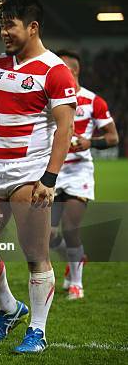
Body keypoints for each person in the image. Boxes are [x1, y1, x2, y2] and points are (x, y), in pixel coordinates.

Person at [0, 0, 76, 353]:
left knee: (34, 255)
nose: (4, 33)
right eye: (1, 26)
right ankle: (10, 308)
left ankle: (37, 332)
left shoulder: (55, 71)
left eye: (10, 26)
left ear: (33, 26)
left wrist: (50, 178)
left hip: (30, 176)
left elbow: (65, 128)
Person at [50, 49, 118, 299]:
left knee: (70, 228)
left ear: (73, 71)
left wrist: (90, 142)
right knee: (47, 236)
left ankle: (76, 283)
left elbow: (113, 137)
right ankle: (75, 258)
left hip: (78, 171)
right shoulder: (50, 101)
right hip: (53, 170)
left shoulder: (93, 101)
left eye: (60, 66)